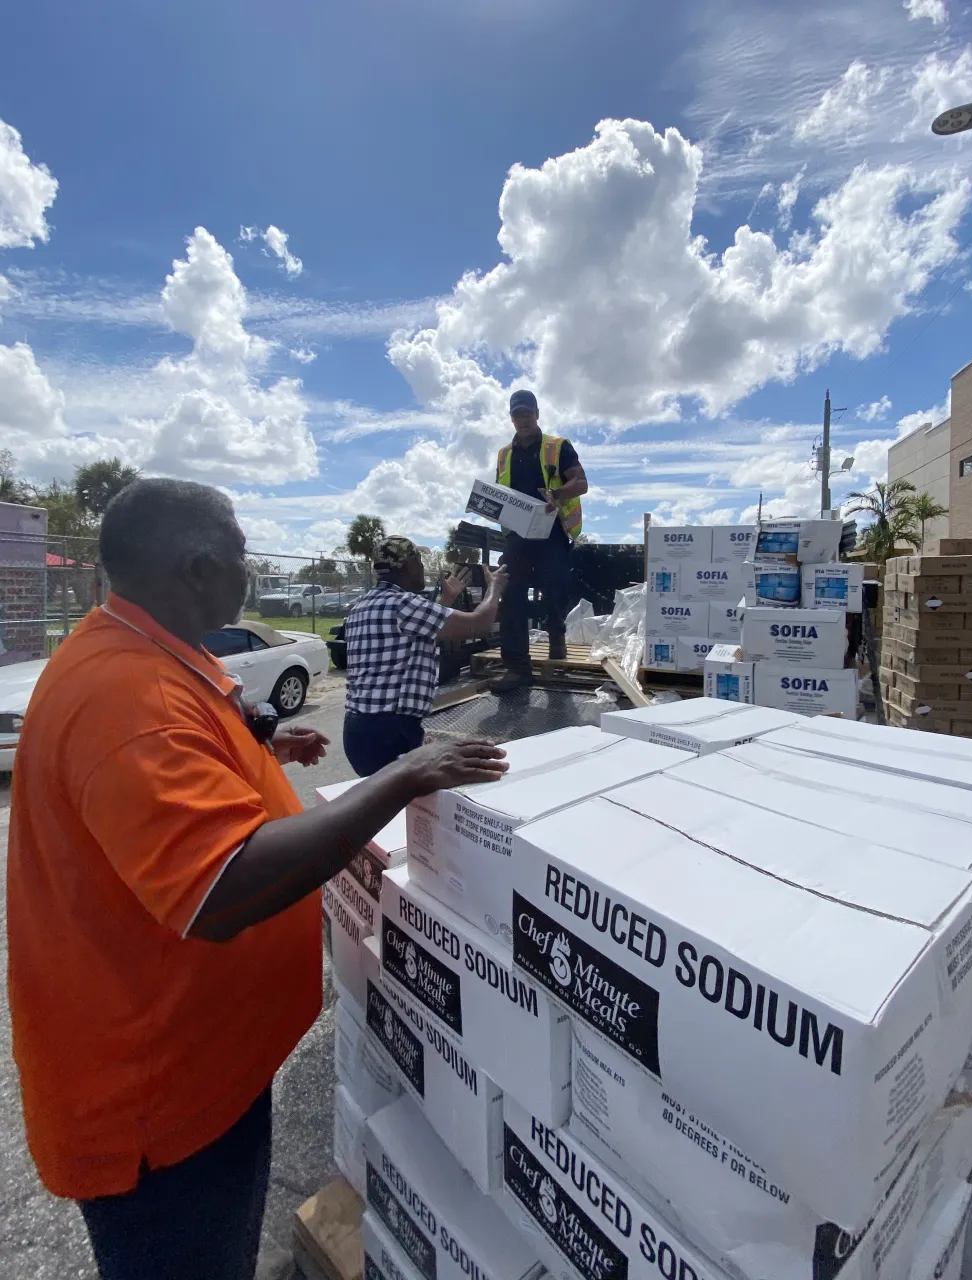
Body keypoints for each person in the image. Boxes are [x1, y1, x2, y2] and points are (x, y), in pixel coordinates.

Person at [6, 479, 507, 1280]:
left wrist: (263, 748)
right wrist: (404, 775)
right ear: (199, 568)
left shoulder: (151, 650)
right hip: (159, 1111)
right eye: (241, 555)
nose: (249, 571)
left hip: (204, 1071)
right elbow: (222, 887)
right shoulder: (125, 697)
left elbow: (179, 764)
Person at [343, 535, 508, 776]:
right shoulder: (403, 604)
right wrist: (494, 588)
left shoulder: (361, 606)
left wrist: (448, 597)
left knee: (388, 805)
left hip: (360, 730)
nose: (422, 568)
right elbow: (480, 623)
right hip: (389, 731)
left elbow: (423, 634)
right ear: (407, 565)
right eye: (419, 561)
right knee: (403, 802)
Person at [494, 388, 588, 690]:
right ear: (511, 418)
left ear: (536, 414)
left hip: (552, 532)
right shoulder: (504, 454)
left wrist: (557, 494)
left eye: (526, 413)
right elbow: (500, 491)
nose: (521, 420)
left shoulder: (557, 446)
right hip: (519, 534)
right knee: (510, 595)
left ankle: (556, 634)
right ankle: (517, 669)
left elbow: (581, 482)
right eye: (516, 414)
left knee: (556, 588)